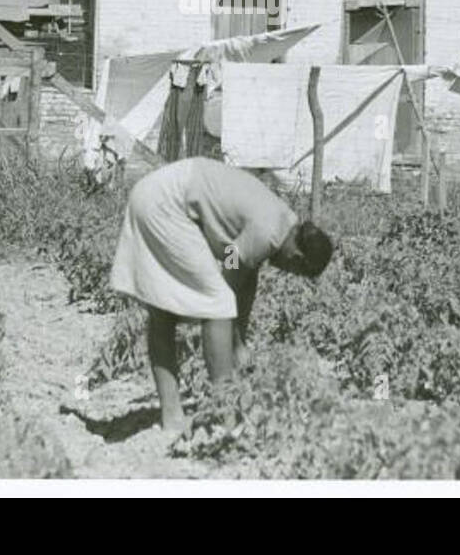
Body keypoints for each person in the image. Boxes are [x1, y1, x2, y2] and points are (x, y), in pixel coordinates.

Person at [108, 157, 334, 431]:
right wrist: (234, 344)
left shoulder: (284, 221)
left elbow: (247, 275)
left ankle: (172, 415)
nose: (286, 271)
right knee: (217, 302)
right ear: (297, 258)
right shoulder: (268, 233)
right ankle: (224, 410)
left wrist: (241, 339)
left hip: (155, 192)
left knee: (164, 312)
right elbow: (230, 272)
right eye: (293, 271)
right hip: (167, 205)